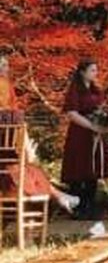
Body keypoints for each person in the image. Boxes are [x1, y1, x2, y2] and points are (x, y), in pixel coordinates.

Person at [0, 54, 79, 213]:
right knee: (26, 169)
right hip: (7, 147)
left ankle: (58, 196)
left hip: (7, 149)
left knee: (27, 170)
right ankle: (58, 196)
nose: (7, 70)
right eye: (4, 66)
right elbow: (15, 115)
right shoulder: (4, 84)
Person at [62, 59, 108, 220]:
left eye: (96, 70)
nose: (95, 73)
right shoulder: (75, 90)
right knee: (78, 168)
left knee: (93, 170)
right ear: (82, 72)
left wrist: (106, 122)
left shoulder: (97, 90)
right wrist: (91, 125)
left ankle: (91, 206)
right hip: (80, 133)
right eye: (92, 70)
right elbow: (71, 113)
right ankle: (78, 207)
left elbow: (104, 108)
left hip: (95, 134)